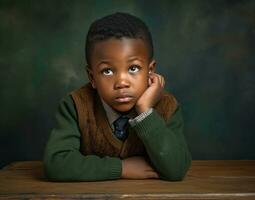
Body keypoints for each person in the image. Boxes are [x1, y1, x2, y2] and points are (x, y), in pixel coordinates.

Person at [44, 12, 191, 181]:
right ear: (92, 77)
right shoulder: (75, 106)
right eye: (107, 71)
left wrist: (145, 113)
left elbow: (177, 168)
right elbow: (56, 164)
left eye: (133, 68)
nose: (121, 82)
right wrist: (121, 168)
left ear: (150, 70)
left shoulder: (167, 106)